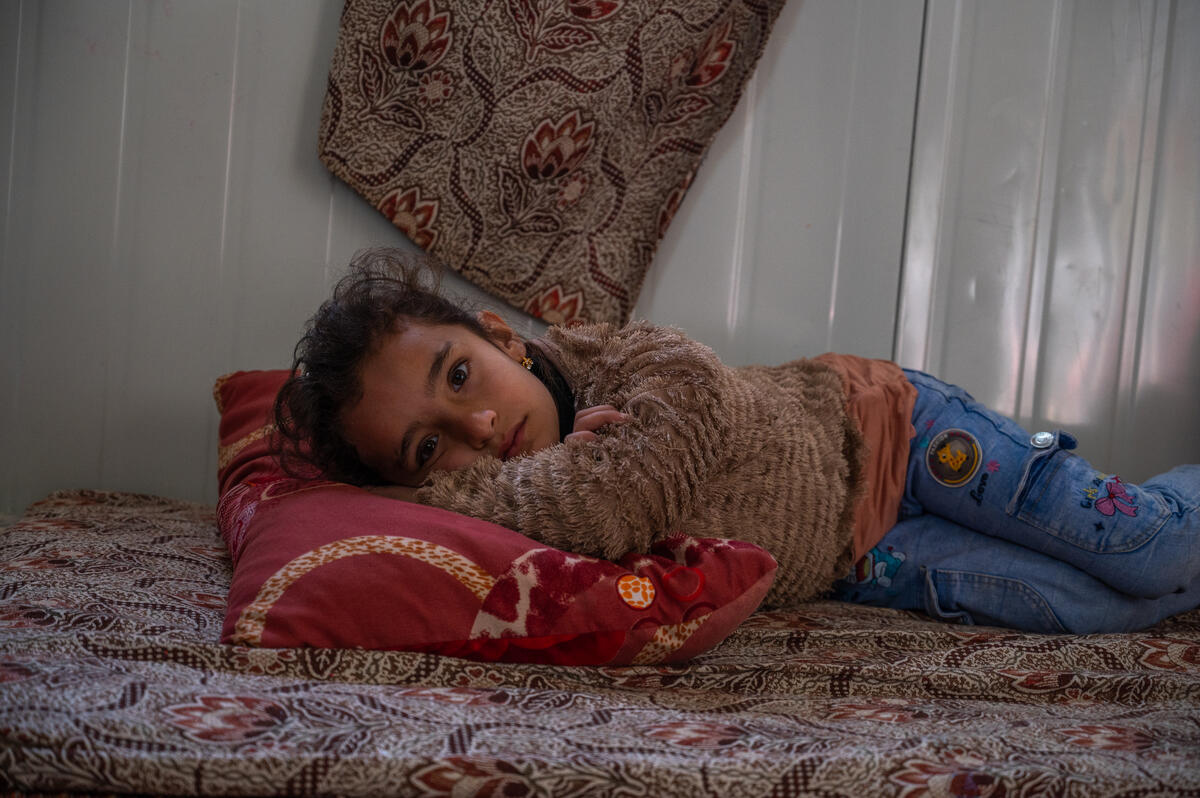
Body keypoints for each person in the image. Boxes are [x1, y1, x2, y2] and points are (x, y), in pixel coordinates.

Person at [274, 248, 1200, 634]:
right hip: (864, 554)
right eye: (431, 452)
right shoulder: (528, 507)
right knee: (1097, 609)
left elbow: (628, 486)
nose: (477, 427)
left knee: (1147, 547)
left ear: (501, 336)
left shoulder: (633, 360)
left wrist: (459, 485)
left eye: (461, 375)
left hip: (895, 430)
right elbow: (581, 507)